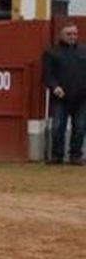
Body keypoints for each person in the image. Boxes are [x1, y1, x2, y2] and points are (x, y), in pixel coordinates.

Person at [42, 22, 85, 165]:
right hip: (60, 97)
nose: (72, 37)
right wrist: (55, 87)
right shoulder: (51, 52)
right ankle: (57, 155)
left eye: (75, 34)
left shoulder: (84, 51)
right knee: (57, 127)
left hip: (81, 97)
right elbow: (47, 75)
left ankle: (75, 155)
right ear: (61, 35)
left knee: (80, 127)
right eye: (69, 34)